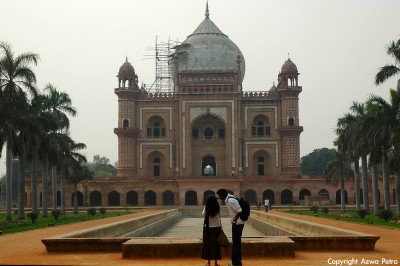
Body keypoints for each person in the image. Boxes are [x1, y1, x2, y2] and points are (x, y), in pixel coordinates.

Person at [216, 189, 244, 266]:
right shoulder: (229, 198)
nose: (220, 198)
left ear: (222, 195)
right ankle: (236, 262)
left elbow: (239, 210)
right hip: (237, 223)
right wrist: (216, 198)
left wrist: (234, 220)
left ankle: (236, 263)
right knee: (236, 243)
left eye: (219, 197)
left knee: (236, 244)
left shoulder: (230, 201)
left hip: (237, 224)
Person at [201, 195, 222, 266]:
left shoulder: (206, 208)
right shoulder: (218, 208)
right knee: (216, 245)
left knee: (208, 245)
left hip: (208, 228)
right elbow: (219, 216)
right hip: (217, 227)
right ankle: (216, 263)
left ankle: (209, 263)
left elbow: (203, 214)